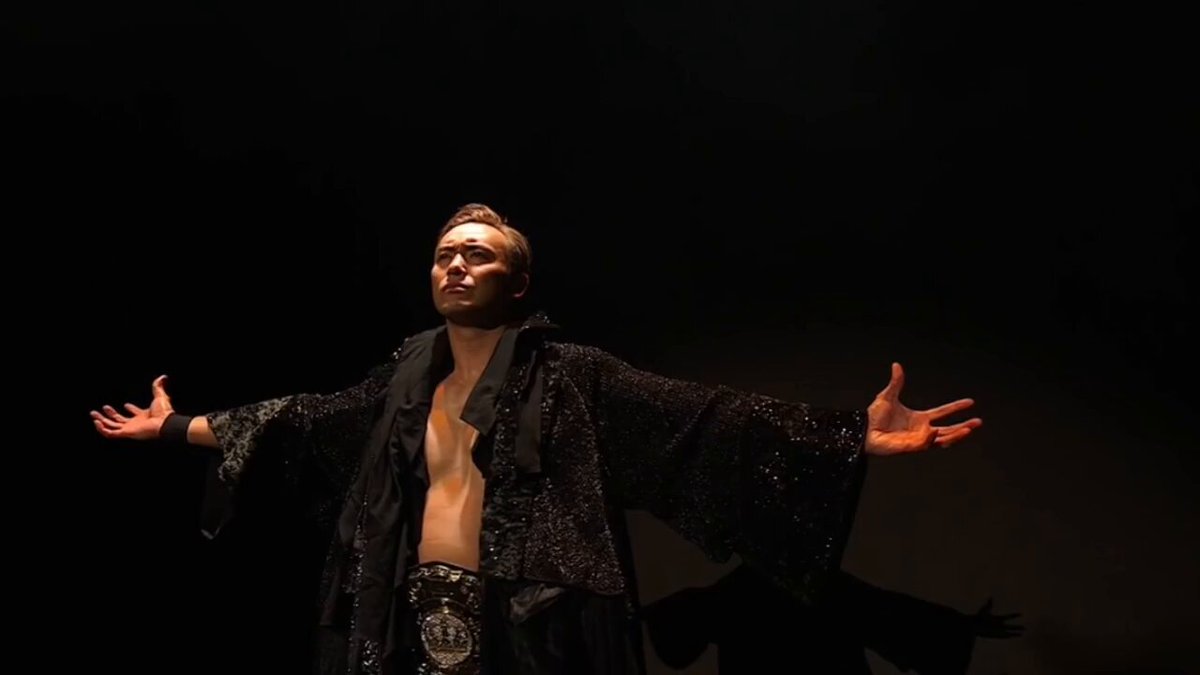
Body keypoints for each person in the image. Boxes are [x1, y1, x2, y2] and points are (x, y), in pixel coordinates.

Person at [91, 203, 982, 675]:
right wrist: (170, 425)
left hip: (533, 619)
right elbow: (301, 418)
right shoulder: (401, 380)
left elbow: (703, 415)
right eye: (445, 252)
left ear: (517, 283)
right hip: (403, 614)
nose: (456, 263)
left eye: (478, 253)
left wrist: (848, 436)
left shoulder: (574, 373)